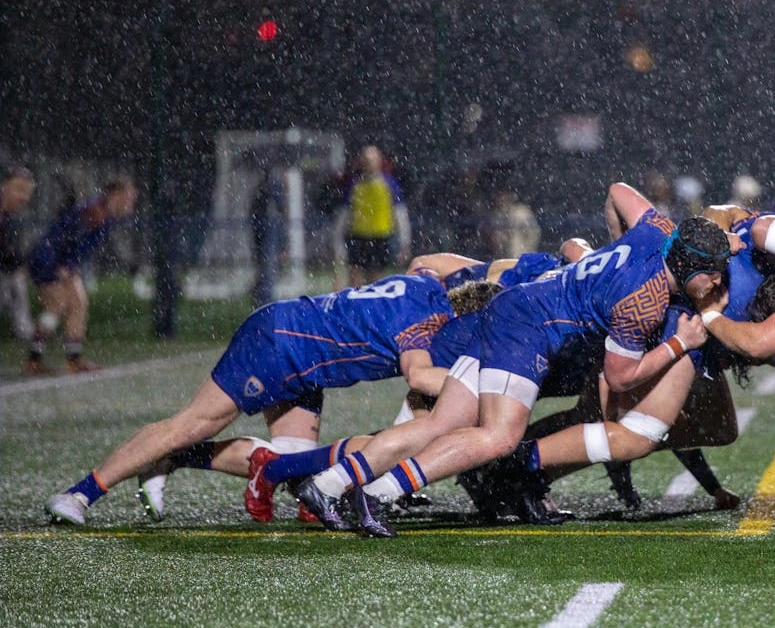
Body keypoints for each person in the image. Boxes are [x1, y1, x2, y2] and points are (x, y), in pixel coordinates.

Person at [293, 183, 730, 533]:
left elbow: (618, 190)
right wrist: (681, 343)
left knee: (440, 425)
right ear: (688, 268)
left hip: (513, 307)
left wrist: (615, 248)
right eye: (712, 275)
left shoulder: (658, 229)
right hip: (529, 330)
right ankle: (377, 496)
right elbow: (620, 378)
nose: (717, 284)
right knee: (499, 438)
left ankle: (328, 485)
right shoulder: (645, 301)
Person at [44, 270, 458, 526]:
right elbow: (419, 375)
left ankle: (173, 459)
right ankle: (79, 494)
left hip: (303, 351)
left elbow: (433, 261)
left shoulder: (429, 283)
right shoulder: (427, 323)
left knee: (291, 464)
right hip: (279, 345)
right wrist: (469, 388)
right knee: (191, 425)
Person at [25, 176, 138, 375]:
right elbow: (67, 237)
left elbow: (78, 242)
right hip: (48, 259)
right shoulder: (95, 212)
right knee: (57, 304)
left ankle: (73, 359)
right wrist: (64, 265)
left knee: (79, 303)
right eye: (129, 198)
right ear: (116, 195)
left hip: (62, 261)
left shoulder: (106, 214)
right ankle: (34, 359)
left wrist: (71, 264)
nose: (131, 204)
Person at [333, 145, 411, 288]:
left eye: (372, 160)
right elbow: (344, 213)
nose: (368, 163)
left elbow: (400, 214)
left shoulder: (389, 184)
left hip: (380, 236)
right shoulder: (354, 185)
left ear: (379, 161)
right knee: (355, 277)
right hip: (358, 236)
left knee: (377, 279)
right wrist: (337, 239)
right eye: (366, 160)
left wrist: (404, 242)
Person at [0, 165, 36, 345]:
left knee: (17, 283)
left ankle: (29, 334)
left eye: (27, 192)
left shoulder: (9, 216)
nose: (24, 197)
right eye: (19, 189)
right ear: (4, 186)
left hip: (7, 271)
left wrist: (19, 264)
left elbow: (9, 249)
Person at [249, 167, 286, 307]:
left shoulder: (262, 185)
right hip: (268, 228)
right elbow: (281, 207)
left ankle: (261, 298)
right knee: (268, 266)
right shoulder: (274, 184)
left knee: (264, 265)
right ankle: (265, 300)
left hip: (262, 228)